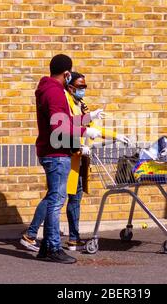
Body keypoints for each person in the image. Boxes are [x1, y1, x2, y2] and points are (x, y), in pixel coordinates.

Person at [21, 72, 131, 253]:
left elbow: (89, 127)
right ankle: (31, 235)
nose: (83, 90)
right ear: (70, 86)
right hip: (68, 157)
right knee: (55, 198)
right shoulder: (66, 101)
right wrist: (80, 144)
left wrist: (114, 135)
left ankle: (73, 238)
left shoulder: (81, 104)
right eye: (80, 87)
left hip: (78, 159)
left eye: (85, 87)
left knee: (74, 197)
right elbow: (66, 128)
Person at [27, 54, 104, 264]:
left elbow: (65, 119)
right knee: (56, 201)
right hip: (56, 153)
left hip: (52, 151)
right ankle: (52, 247)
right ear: (67, 73)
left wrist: (89, 117)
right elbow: (58, 126)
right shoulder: (55, 92)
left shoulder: (49, 89)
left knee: (54, 198)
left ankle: (45, 247)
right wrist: (85, 133)